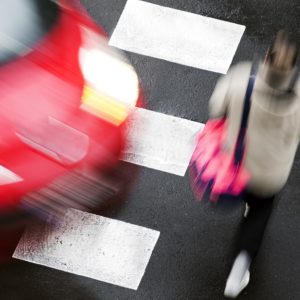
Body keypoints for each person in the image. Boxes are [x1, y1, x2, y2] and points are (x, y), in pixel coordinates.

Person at [208, 30, 300, 298]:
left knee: (246, 194)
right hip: (271, 175)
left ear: (265, 57)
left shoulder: (241, 80)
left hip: (236, 166)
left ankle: (242, 200)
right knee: (259, 215)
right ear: (293, 69)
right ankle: (239, 266)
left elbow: (215, 107)